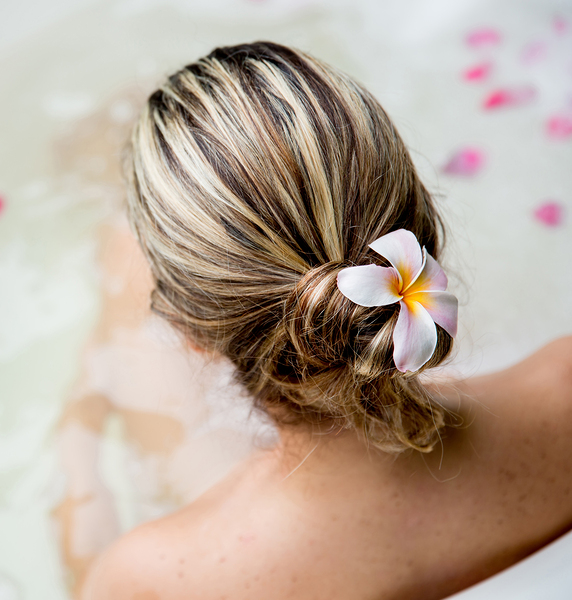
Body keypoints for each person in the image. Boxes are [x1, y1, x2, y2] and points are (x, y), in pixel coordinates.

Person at [80, 41, 572, 600]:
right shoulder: (564, 390)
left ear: (189, 333)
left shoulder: (156, 578)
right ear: (422, 226)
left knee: (120, 279)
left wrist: (78, 447)